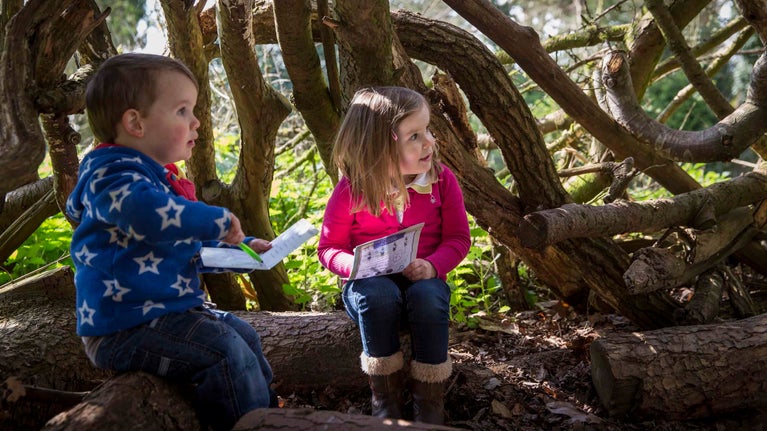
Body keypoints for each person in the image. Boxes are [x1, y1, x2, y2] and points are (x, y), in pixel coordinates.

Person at [65, 53, 275, 431]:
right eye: (182, 111)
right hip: (125, 327)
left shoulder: (154, 182)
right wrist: (217, 219)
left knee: (243, 334)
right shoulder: (112, 177)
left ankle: (272, 416)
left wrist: (243, 247)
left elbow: (185, 245)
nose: (196, 122)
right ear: (135, 123)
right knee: (225, 351)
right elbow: (147, 214)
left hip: (163, 315)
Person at [318, 86, 471, 424]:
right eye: (415, 136)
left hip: (423, 281)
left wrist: (433, 265)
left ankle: (429, 403)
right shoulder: (352, 189)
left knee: (430, 298)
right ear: (382, 145)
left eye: (428, 130)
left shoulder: (441, 182)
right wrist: (355, 266)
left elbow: (459, 238)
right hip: (369, 286)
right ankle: (384, 400)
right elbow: (328, 248)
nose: (429, 141)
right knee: (379, 294)